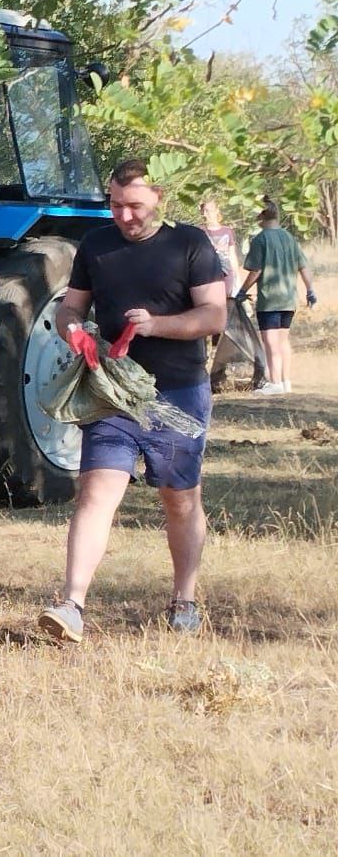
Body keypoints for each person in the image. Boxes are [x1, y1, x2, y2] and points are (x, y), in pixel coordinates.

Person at [38, 158, 226, 643]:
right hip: (112, 391)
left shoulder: (191, 244)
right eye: (116, 205)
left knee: (179, 499)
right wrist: (73, 330)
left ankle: (184, 600)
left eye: (134, 206)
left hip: (178, 393)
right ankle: (71, 605)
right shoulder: (96, 245)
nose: (123, 215)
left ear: (159, 196)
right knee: (96, 493)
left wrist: (156, 325)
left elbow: (214, 317)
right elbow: (71, 308)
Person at [236, 202, 317, 395]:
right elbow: (303, 267)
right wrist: (310, 290)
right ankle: (286, 381)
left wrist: (243, 290)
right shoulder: (289, 238)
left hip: (270, 299)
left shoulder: (260, 240)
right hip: (289, 299)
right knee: (283, 340)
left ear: (260, 217)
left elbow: (256, 270)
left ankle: (275, 382)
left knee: (271, 341)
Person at [200, 198, 240, 298]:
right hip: (207, 274)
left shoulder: (227, 231)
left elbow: (232, 255)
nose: (205, 214)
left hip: (226, 272)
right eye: (204, 211)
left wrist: (236, 276)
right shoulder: (199, 231)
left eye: (208, 211)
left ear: (217, 210)